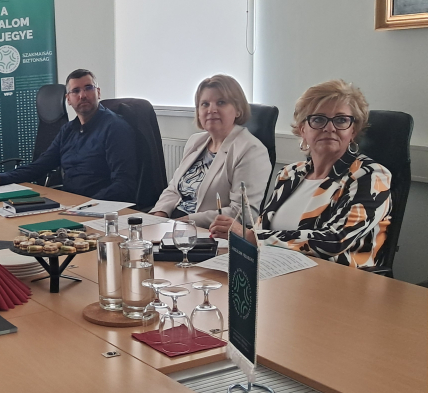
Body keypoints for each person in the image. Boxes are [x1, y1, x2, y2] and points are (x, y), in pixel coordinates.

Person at [211, 80, 392, 269]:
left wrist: (250, 236)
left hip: (340, 280)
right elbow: (260, 230)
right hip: (276, 271)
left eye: (341, 120)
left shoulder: (370, 175)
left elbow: (336, 240)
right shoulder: (289, 174)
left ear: (353, 130)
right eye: (318, 119)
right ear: (302, 129)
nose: (329, 128)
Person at [0, 70, 138, 201]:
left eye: (89, 88)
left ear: (98, 92)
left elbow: (124, 184)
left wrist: (88, 206)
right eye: (76, 91)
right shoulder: (68, 130)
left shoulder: (115, 128)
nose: (82, 95)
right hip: (71, 203)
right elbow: (40, 166)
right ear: (68, 99)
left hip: (100, 209)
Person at [151, 75, 270, 228]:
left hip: (209, 231)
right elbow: (174, 189)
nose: (211, 110)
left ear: (238, 110)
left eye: (221, 102)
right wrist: (158, 217)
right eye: (205, 104)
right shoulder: (195, 141)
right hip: (174, 224)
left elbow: (243, 213)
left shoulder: (251, 150)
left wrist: (184, 222)